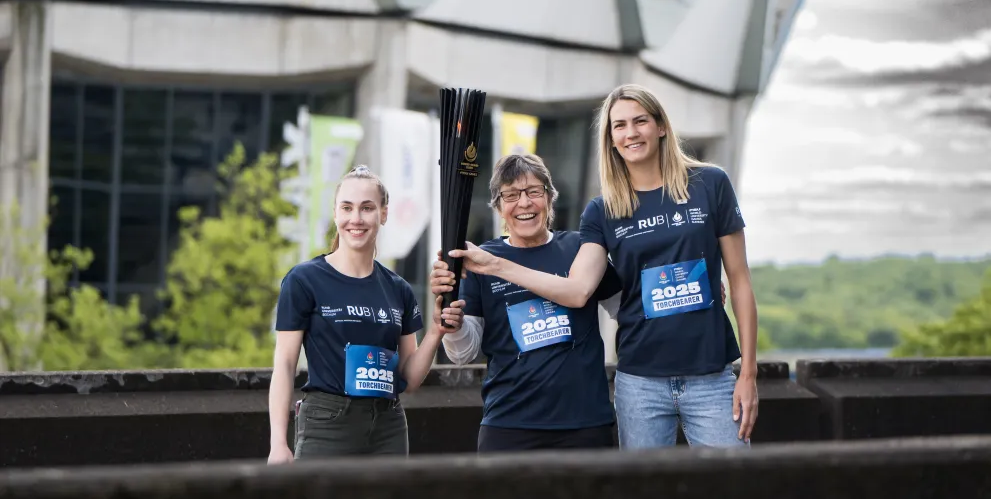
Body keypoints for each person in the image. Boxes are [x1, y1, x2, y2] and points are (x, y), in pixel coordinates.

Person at [449, 84, 759, 449]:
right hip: (640, 382)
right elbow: (579, 291)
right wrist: (493, 267)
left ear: (661, 126)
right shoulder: (602, 209)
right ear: (610, 139)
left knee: (734, 478)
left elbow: (740, 281)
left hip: (710, 375)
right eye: (619, 125)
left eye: (640, 121)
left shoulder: (711, 183)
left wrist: (748, 372)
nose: (631, 133)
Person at [268, 165, 465, 462]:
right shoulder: (304, 280)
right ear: (335, 213)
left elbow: (409, 379)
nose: (356, 218)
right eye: (347, 208)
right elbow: (284, 364)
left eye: (367, 208)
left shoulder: (399, 289)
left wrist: (436, 331)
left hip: (389, 427)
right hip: (327, 425)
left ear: (383, 214)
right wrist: (277, 443)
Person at [429, 153, 622, 452]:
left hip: (584, 423)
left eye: (534, 191)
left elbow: (627, 311)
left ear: (550, 198)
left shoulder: (580, 249)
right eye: (510, 195)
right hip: (509, 425)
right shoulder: (481, 261)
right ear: (498, 206)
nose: (524, 203)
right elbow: (462, 354)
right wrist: (453, 327)